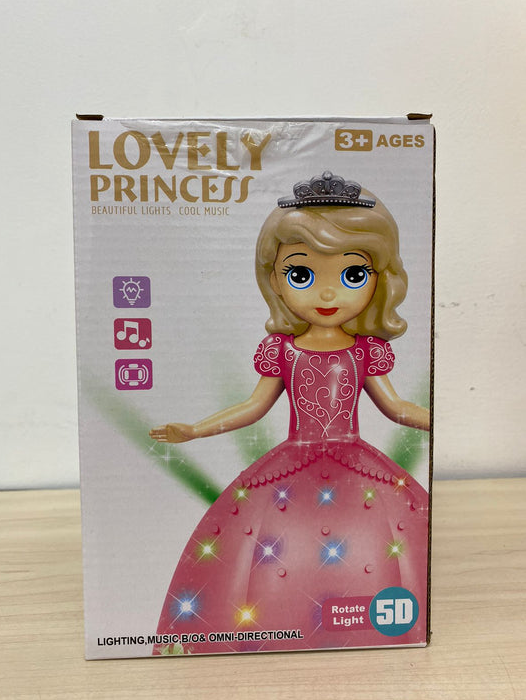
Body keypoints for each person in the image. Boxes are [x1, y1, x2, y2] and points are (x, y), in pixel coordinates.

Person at [149, 172, 430, 655]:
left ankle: (368, 626)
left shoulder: (365, 351)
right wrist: (194, 430)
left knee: (379, 548)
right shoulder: (282, 350)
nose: (327, 295)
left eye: (352, 275)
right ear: (275, 280)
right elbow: (254, 406)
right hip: (291, 467)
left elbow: (396, 406)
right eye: (302, 275)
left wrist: (440, 419)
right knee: (265, 560)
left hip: (357, 468)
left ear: (379, 280)